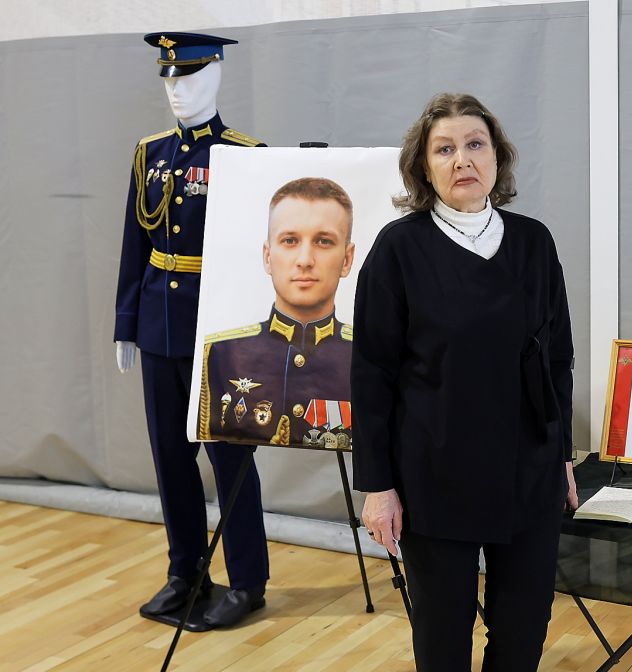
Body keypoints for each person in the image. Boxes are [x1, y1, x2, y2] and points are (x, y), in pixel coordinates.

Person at [353, 93, 577, 671]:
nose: (462, 160)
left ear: (497, 157)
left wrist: (563, 459)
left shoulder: (534, 242)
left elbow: (557, 359)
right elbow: (372, 374)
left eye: (475, 144)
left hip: (528, 469)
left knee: (524, 629)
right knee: (443, 635)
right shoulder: (398, 249)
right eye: (444, 149)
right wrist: (378, 487)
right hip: (434, 476)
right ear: (423, 167)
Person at [113, 32, 269, 629]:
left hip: (219, 331)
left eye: (191, 77)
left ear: (217, 76)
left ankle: (248, 582)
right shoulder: (149, 154)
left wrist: (257, 337)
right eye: (171, 78)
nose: (178, 90)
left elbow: (259, 256)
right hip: (159, 326)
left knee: (231, 461)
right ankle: (186, 573)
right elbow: (135, 243)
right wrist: (127, 323)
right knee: (171, 459)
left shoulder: (244, 155)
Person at [198, 177, 356, 449]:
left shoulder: (369, 355)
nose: (305, 260)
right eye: (290, 240)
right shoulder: (220, 354)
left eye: (323, 241)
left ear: (347, 259)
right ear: (268, 256)